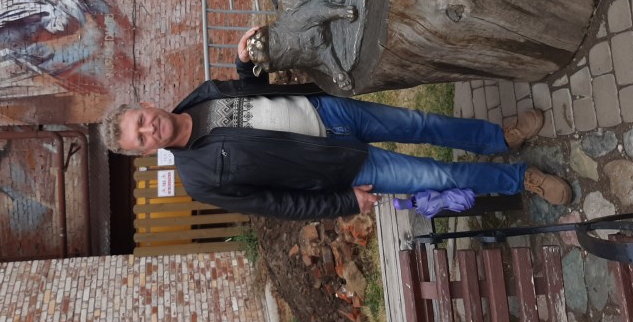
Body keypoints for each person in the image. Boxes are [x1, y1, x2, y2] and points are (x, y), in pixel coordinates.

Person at [102, 27, 572, 220]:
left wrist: (245, 66)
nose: (149, 129)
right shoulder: (200, 180)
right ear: (144, 152)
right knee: (435, 175)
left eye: (141, 120)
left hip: (329, 111)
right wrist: (344, 202)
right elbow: (277, 204)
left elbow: (255, 97)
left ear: (148, 104)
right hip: (340, 167)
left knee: (421, 123)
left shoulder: (202, 94)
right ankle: (520, 178)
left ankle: (499, 137)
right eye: (140, 138)